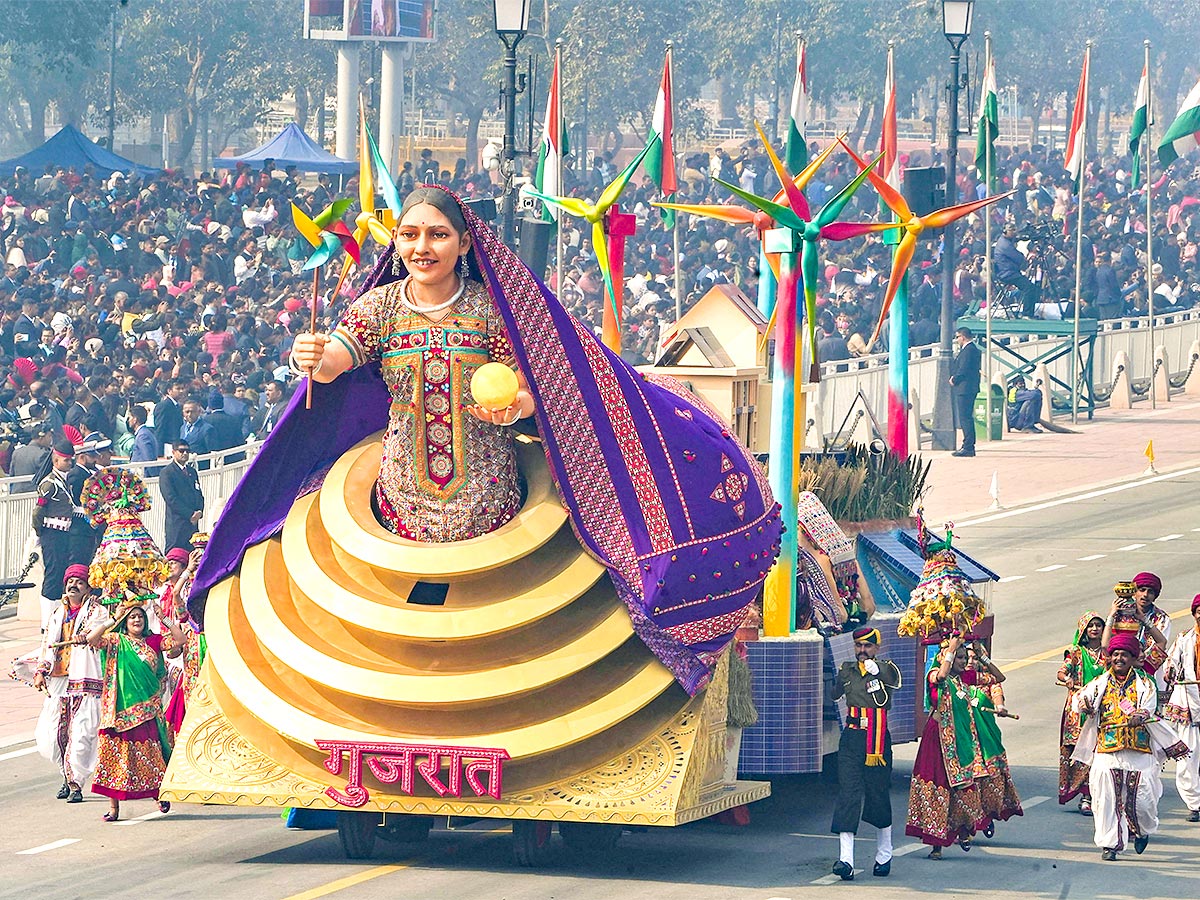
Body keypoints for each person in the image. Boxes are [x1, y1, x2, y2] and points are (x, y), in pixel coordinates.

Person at [290, 187, 534, 541]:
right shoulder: (378, 308)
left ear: (464, 243)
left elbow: (524, 389)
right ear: (395, 240)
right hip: (402, 492)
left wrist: (511, 410)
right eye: (410, 235)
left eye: (438, 235)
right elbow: (331, 365)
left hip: (488, 493)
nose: (422, 248)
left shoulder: (491, 309)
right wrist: (308, 356)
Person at [1072, 630, 1190, 860]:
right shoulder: (1099, 683)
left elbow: (1148, 705)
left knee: (1143, 802)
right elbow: (1082, 699)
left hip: (1139, 752)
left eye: (1124, 655)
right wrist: (1085, 706)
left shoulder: (1145, 684)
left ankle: (1143, 830)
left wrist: (1141, 714)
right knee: (1105, 798)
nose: (1119, 659)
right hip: (1107, 750)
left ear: (1133, 658)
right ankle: (1110, 844)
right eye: (1115, 654)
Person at [905, 633, 1022, 858]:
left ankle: (964, 830)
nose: (961, 661)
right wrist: (952, 647)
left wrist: (982, 656)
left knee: (963, 788)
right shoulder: (935, 675)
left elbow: (999, 678)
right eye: (958, 657)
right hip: (938, 741)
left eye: (962, 657)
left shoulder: (964, 679)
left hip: (962, 742)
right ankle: (936, 845)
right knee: (938, 786)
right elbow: (941, 674)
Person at [86, 603, 181, 821]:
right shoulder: (116, 641)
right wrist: (114, 619)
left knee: (152, 756)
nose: (136, 620)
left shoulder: (154, 641)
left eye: (140, 617)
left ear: (145, 621)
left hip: (146, 711)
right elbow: (93, 639)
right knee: (115, 759)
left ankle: (160, 794)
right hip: (118, 712)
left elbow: (180, 640)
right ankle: (114, 809)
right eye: (132, 618)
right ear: (125, 623)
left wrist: (164, 618)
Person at [829, 626, 903, 879]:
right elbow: (835, 693)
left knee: (877, 793)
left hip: (878, 739)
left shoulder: (886, 669)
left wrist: (877, 671)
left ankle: (884, 853)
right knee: (848, 793)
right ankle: (845, 860)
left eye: (868, 646)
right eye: (859, 646)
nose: (863, 651)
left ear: (877, 648)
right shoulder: (847, 670)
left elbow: (895, 679)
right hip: (852, 737)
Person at [28, 565, 97, 800]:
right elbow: (47, 644)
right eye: (71, 581)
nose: (73, 585)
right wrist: (40, 671)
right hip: (58, 681)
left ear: (87, 588)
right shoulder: (57, 614)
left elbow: (101, 635)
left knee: (80, 735)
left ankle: (76, 784)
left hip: (84, 682)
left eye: (79, 581)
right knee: (52, 734)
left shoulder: (96, 612)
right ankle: (65, 776)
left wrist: (87, 637)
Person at [1057, 611, 1106, 814]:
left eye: (1098, 625)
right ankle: (1085, 796)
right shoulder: (1076, 652)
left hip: (1102, 708)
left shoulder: (1108, 654)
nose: (1094, 629)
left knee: (1098, 752)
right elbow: (1062, 671)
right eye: (1090, 625)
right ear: (1084, 630)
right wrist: (1066, 679)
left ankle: (1094, 794)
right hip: (1078, 711)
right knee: (1080, 753)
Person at [1163, 594, 1200, 822]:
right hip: (1189, 705)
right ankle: (1195, 805)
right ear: (1194, 613)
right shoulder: (1184, 639)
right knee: (1188, 757)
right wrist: (1172, 672)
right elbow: (1170, 666)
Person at [32, 439, 76, 629]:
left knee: (59, 573)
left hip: (63, 533)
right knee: (52, 574)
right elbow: (37, 512)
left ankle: (56, 616)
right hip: (52, 533)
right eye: (66, 461)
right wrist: (39, 533)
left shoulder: (62, 481)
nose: (70, 464)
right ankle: (47, 621)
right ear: (56, 461)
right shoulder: (49, 483)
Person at [159, 441, 204, 552]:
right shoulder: (167, 472)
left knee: (193, 554)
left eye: (187, 451)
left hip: (192, 525)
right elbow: (170, 498)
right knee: (174, 555)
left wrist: (199, 512)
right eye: (181, 451)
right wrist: (189, 514)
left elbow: (198, 494)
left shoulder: (192, 471)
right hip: (176, 524)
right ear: (174, 452)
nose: (185, 453)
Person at [992, 222, 1037, 316]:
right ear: (1005, 231)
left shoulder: (1005, 241)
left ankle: (1028, 313)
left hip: (1009, 272)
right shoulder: (1005, 245)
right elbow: (1019, 258)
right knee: (1029, 288)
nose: (1014, 232)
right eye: (1012, 230)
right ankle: (1027, 314)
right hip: (1008, 274)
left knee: (1031, 287)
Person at [949, 327, 981, 457]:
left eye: (958, 337)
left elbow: (964, 369)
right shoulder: (973, 350)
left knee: (965, 417)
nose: (957, 340)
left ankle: (968, 446)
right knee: (966, 417)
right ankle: (968, 445)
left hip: (965, 388)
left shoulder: (968, 351)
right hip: (969, 387)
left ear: (963, 337)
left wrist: (954, 379)